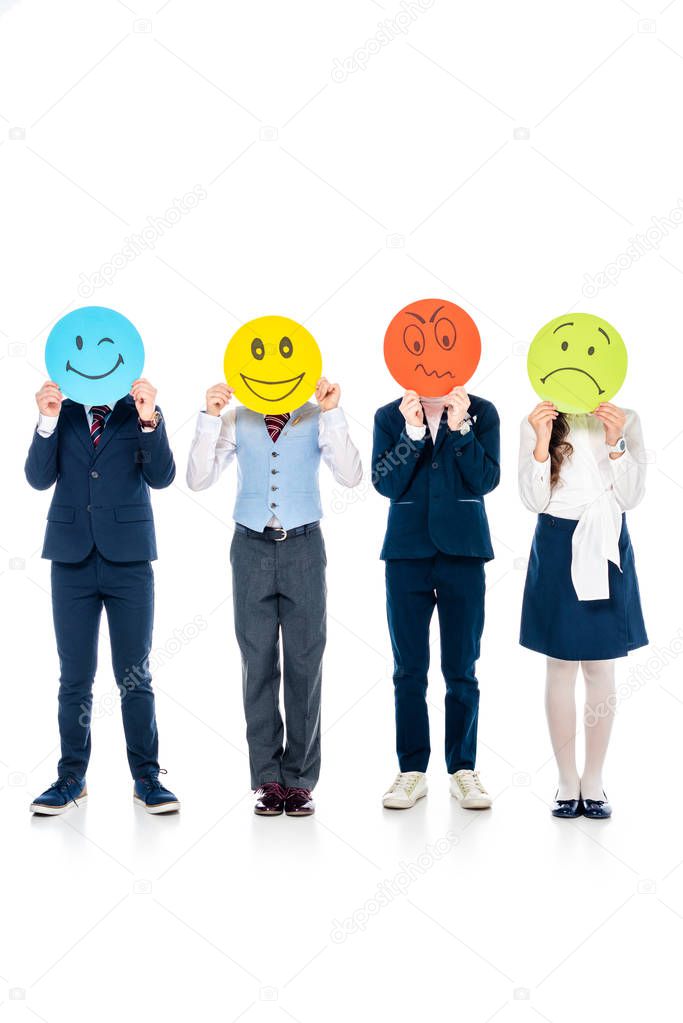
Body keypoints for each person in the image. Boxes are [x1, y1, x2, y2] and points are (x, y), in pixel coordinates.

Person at [186, 377, 362, 817]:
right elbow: (198, 479)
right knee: (256, 662)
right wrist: (208, 418)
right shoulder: (236, 417)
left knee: (306, 660)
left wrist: (335, 411)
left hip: (304, 544)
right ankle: (267, 779)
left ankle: (299, 781)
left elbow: (352, 475)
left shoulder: (316, 414)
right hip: (250, 546)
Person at [25, 378, 180, 815]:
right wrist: (46, 420)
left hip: (128, 560)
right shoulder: (65, 410)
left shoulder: (140, 411)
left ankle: (147, 777)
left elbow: (162, 477)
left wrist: (149, 420)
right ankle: (71, 777)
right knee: (74, 676)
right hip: (71, 559)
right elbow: (38, 479)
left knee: (135, 674)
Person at [372, 386, 500, 810]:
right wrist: (410, 433)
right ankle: (411, 771)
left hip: (463, 551)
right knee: (408, 669)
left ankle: (463, 769)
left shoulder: (481, 412)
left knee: (461, 668)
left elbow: (486, 479)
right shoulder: (389, 416)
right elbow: (386, 483)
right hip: (406, 552)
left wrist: (461, 428)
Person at [519, 401, 648, 819]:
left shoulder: (625, 416)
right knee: (559, 665)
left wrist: (616, 444)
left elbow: (631, 496)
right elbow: (533, 499)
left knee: (600, 667)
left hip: (605, 537)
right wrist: (541, 441)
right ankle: (565, 779)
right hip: (556, 539)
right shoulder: (538, 417)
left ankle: (593, 779)